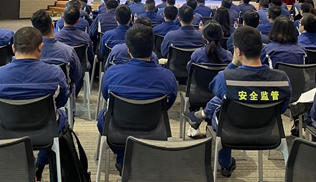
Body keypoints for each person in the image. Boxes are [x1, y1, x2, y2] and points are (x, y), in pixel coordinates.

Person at [184, 26, 291, 177]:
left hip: (231, 130)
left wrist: (233, 64)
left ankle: (225, 162)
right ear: (261, 48)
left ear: (238, 51)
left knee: (223, 103)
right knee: (225, 99)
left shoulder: (226, 77)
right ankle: (200, 116)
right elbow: (282, 108)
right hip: (267, 130)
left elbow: (213, 87)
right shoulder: (282, 78)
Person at [0, 27, 69, 180]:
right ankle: (39, 163)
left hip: (5, 131)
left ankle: (21, 165)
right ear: (40, 47)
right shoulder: (55, 73)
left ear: (13, 48)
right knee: (61, 116)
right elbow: (62, 101)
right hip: (44, 132)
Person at [97, 24, 178, 172]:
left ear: (128, 50)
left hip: (118, 130)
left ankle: (123, 158)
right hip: (154, 129)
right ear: (153, 47)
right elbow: (168, 104)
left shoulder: (112, 73)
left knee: (102, 117)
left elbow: (106, 96)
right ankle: (138, 159)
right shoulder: (168, 77)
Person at [31, 10, 82, 94]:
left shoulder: (28, 54)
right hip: (61, 93)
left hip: (34, 93)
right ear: (52, 26)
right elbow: (77, 76)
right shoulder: (68, 51)